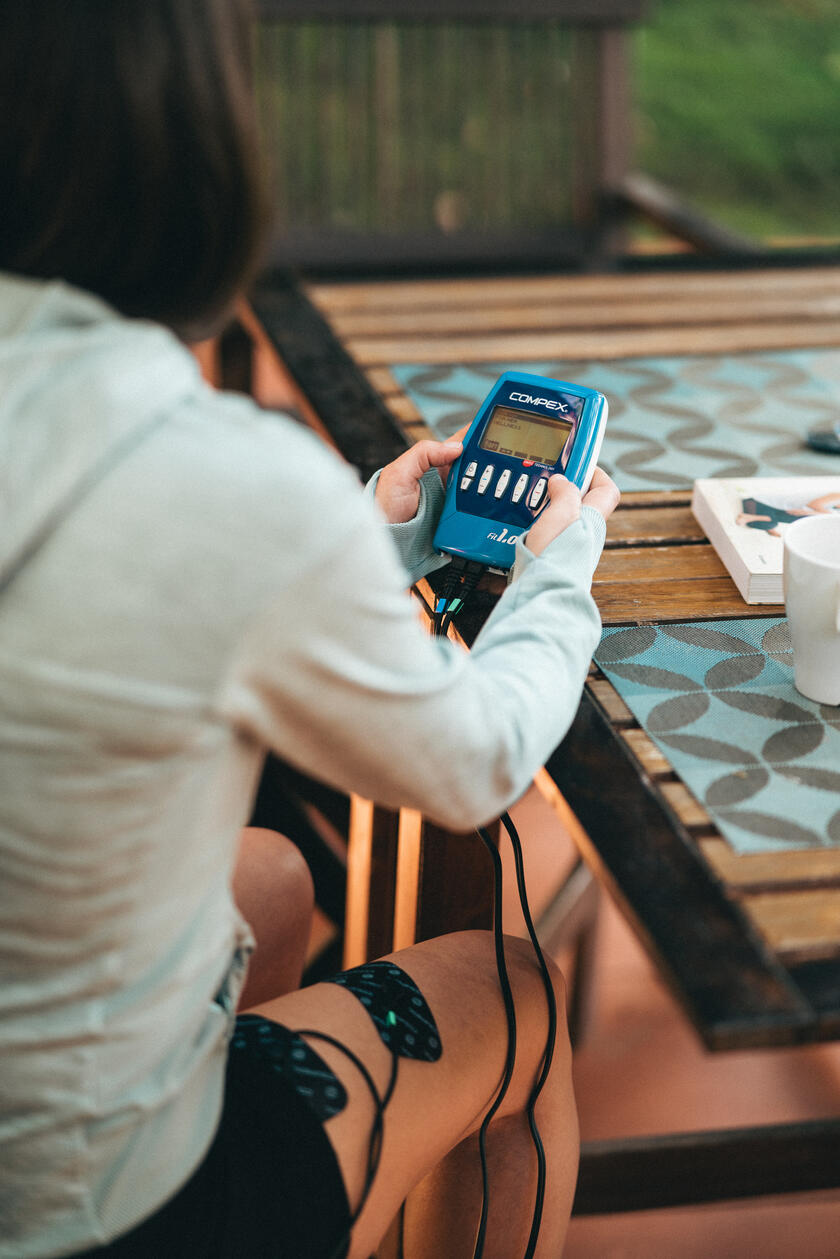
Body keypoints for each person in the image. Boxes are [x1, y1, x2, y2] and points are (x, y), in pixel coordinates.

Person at [0, 4, 619, 1258]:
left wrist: (348, 530)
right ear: (191, 148)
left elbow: (129, 585)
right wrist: (557, 573)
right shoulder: (223, 477)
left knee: (276, 876)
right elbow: (475, 760)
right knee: (516, 993)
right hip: (74, 1201)